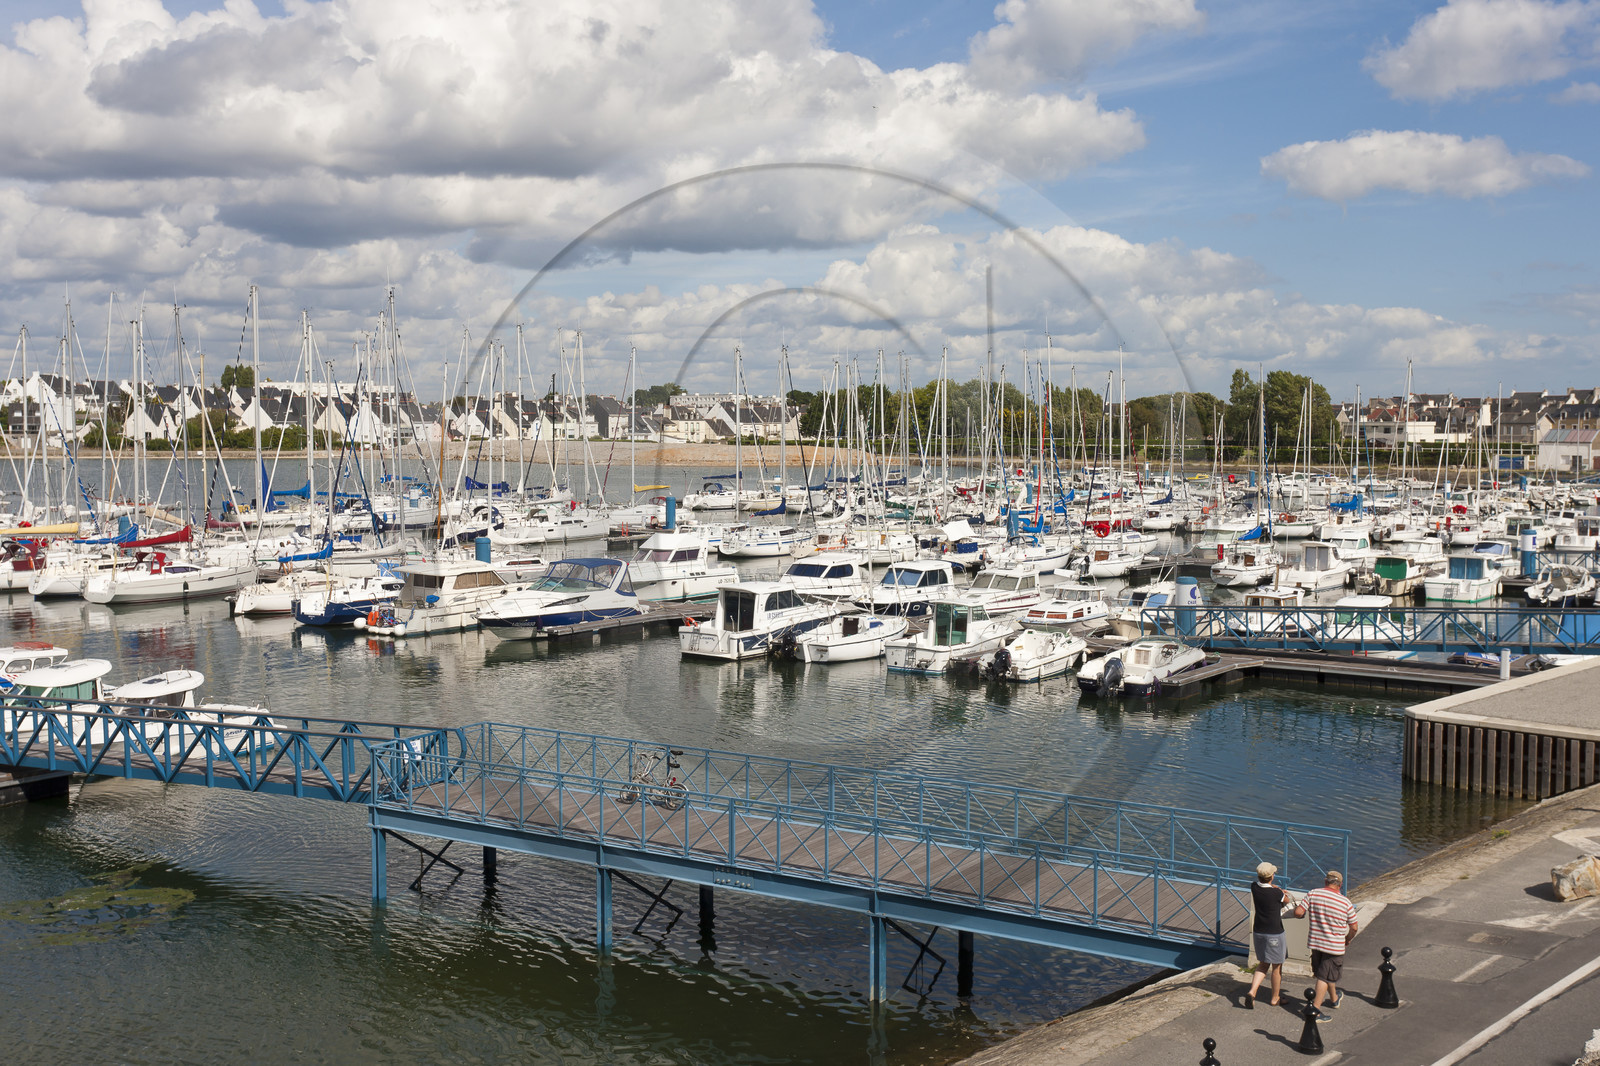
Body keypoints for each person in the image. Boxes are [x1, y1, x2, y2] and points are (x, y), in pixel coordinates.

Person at [1245, 861, 1304, 1007]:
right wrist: (1278, 890)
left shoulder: (1254, 887)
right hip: (1274, 933)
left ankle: (1252, 992)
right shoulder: (1276, 893)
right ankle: (1275, 998)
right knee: (1277, 968)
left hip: (1259, 931)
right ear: (1271, 876)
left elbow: (1263, 887)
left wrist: (1272, 887)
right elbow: (1287, 900)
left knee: (1263, 964)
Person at [1305, 869, 1359, 1019]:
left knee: (1324, 972)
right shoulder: (1345, 902)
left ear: (1325, 882)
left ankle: (1334, 999)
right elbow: (1354, 927)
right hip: (1334, 946)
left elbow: (1298, 912)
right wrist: (1347, 939)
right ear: (1340, 885)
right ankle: (1315, 1010)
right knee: (1324, 976)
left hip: (1316, 943)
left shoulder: (1313, 893)